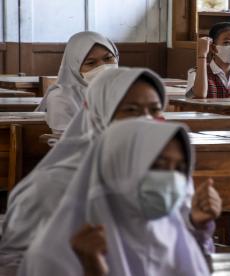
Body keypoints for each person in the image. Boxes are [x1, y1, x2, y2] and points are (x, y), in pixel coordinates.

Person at [0, 68, 166, 267]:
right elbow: (11, 263)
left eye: (155, 110)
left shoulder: (159, 177)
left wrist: (199, 226)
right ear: (98, 112)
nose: (145, 121)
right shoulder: (51, 186)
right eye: (131, 110)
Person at [19, 119, 221, 276]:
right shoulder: (55, 253)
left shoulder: (171, 232)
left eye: (180, 168)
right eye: (157, 165)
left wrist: (199, 227)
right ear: (117, 166)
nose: (170, 177)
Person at [36, 31, 119, 134]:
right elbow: (67, 144)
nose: (102, 67)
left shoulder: (125, 90)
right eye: (91, 63)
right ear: (75, 67)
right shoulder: (61, 98)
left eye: (108, 58)